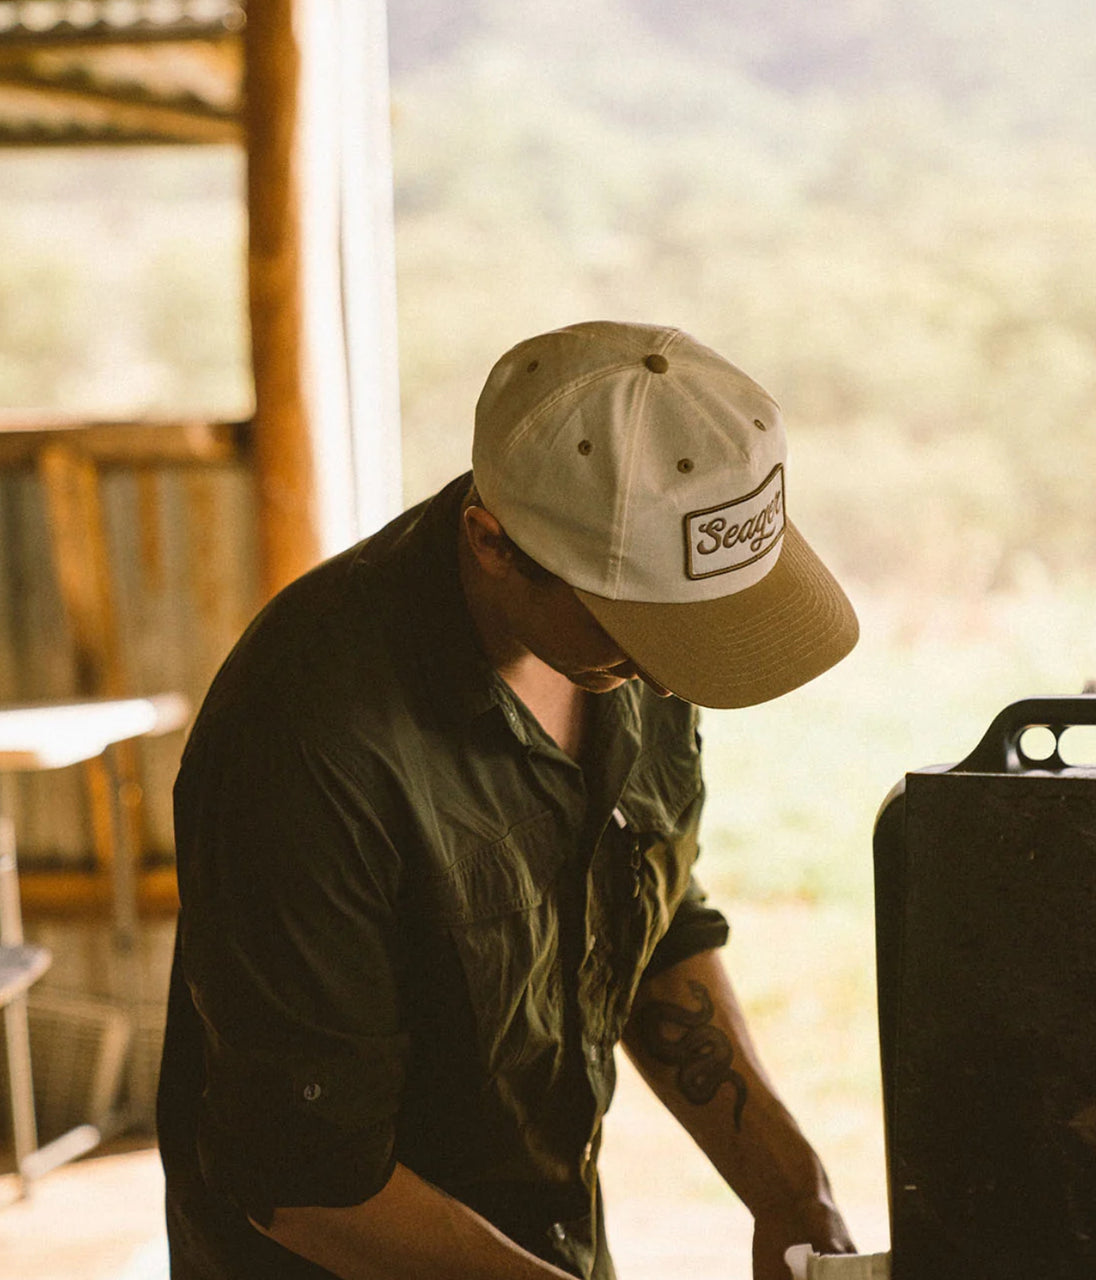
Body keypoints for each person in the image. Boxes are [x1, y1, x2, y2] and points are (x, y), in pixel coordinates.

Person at [157, 320, 861, 1280]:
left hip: (546, 1242)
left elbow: (649, 926)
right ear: (492, 544)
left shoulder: (627, 665)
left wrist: (789, 1188)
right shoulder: (306, 737)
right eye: (638, 629)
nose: (668, 679)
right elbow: (306, 1182)